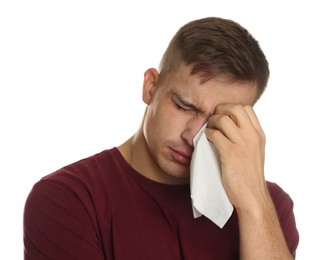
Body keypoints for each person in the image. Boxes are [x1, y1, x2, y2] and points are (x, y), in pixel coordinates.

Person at [23, 17, 299, 259]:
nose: (193, 137)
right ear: (150, 87)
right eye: (183, 106)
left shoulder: (269, 207)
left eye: (218, 122)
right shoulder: (68, 199)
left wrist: (253, 202)